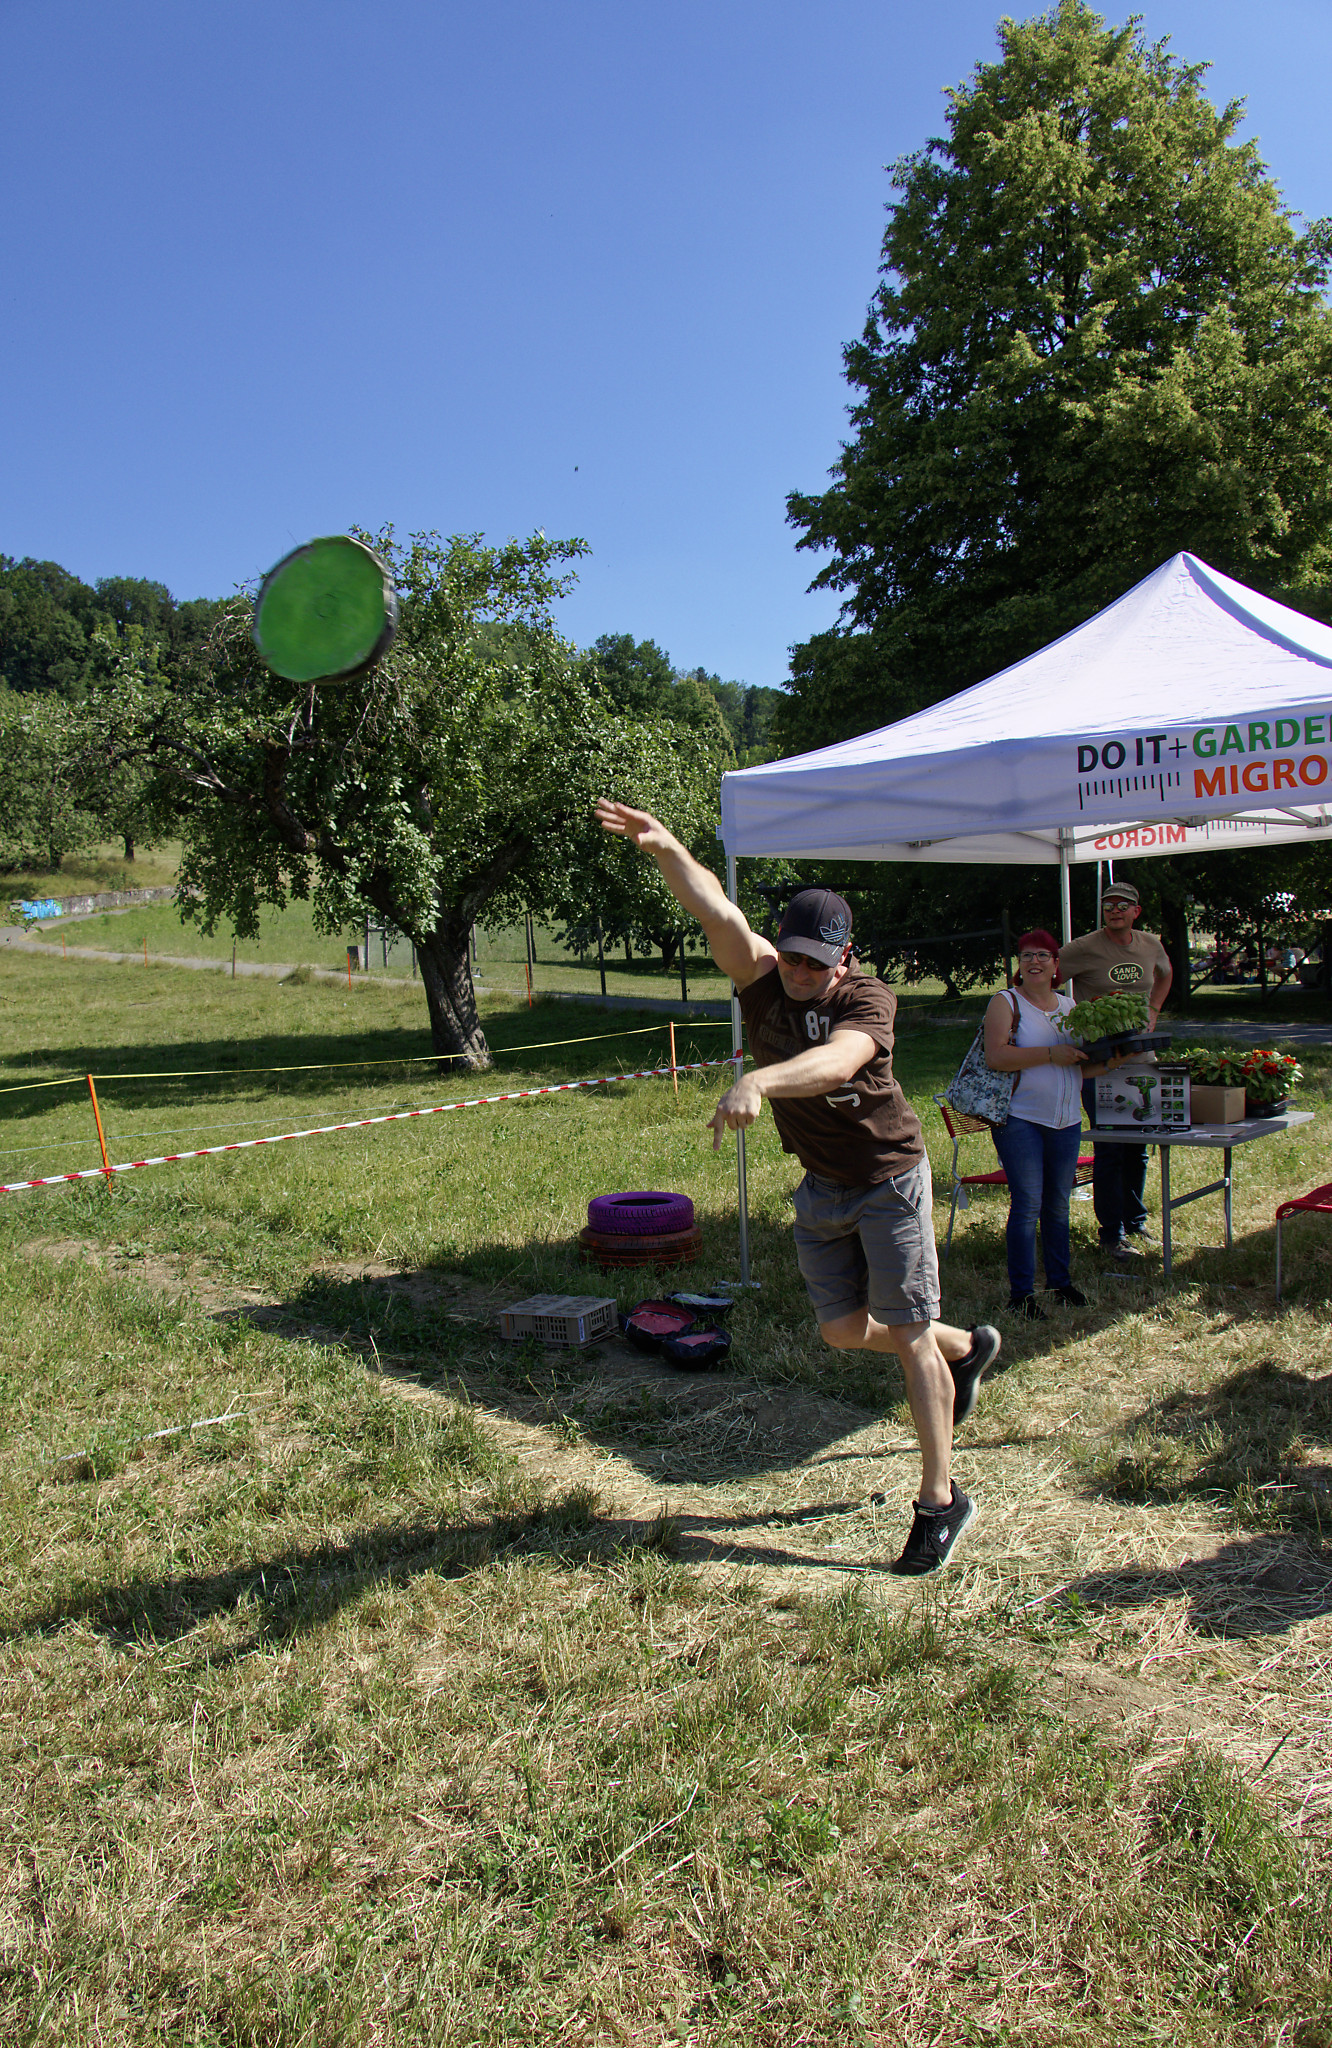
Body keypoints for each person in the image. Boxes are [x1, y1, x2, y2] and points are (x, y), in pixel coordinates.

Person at [595, 796, 1000, 1576]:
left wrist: (761, 1081)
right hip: (822, 1186)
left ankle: (940, 1501)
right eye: (792, 958)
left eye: (818, 961)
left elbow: (839, 1061)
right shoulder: (762, 979)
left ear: (845, 959)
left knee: (908, 1333)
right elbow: (716, 910)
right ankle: (968, 1347)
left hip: (889, 1178)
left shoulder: (867, 998)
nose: (802, 972)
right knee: (842, 1332)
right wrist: (666, 846)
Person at [982, 931, 1127, 1318]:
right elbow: (996, 1057)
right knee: (1028, 1204)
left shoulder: (1068, 1005)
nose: (1035, 962)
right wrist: (1050, 1053)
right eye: (1027, 955)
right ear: (1019, 964)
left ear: (1056, 964)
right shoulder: (1006, 1002)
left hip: (1066, 1121)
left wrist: (1111, 1063)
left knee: (1059, 1205)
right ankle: (1021, 1295)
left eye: (1043, 955)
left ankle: (1061, 1284)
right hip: (1020, 1118)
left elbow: (1076, 1066)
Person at [1056, 881, 1173, 1258]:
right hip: (1102, 1061)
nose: (1115, 910)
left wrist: (1153, 1010)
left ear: (1136, 911)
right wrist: (1067, 1016)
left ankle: (1135, 1222)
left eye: (1123, 905)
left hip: (1141, 1059)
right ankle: (1111, 1234)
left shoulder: (1150, 944)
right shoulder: (1083, 948)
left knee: (1138, 1147)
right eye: (1109, 905)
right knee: (1110, 1148)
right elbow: (1044, 977)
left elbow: (1165, 973)